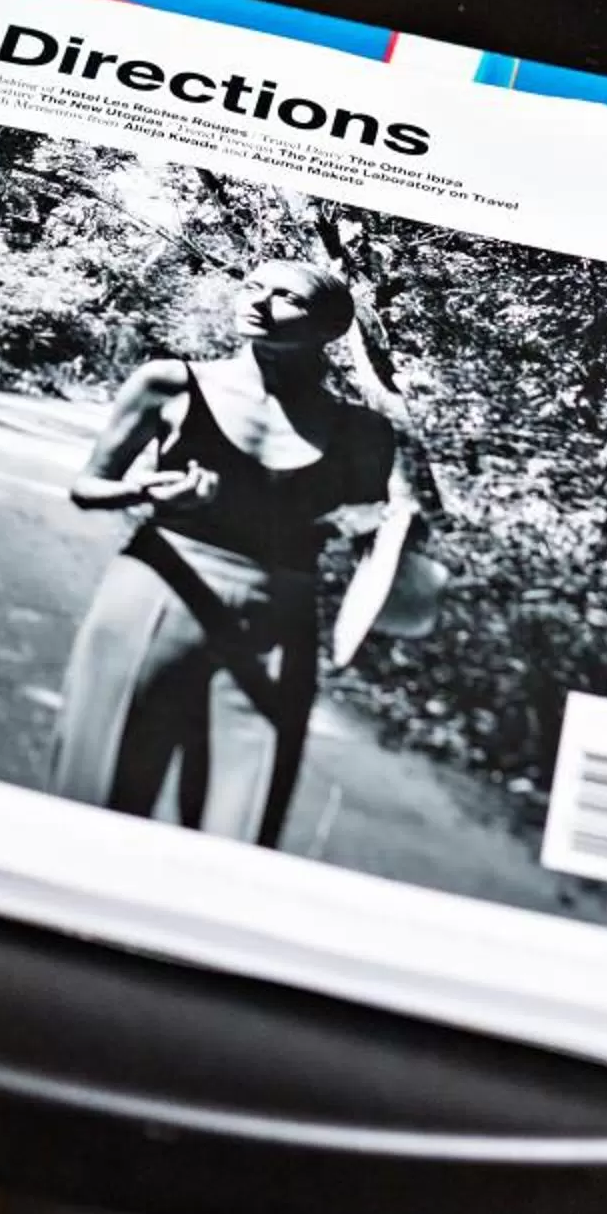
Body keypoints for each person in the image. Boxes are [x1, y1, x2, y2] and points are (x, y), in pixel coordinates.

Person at [47, 259, 435, 846]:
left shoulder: (364, 433)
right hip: (154, 592)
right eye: (253, 286)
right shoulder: (169, 382)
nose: (258, 302)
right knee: (100, 790)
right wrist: (144, 489)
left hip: (280, 616)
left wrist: (387, 533)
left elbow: (375, 545)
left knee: (244, 818)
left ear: (329, 327)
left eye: (286, 297)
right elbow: (88, 486)